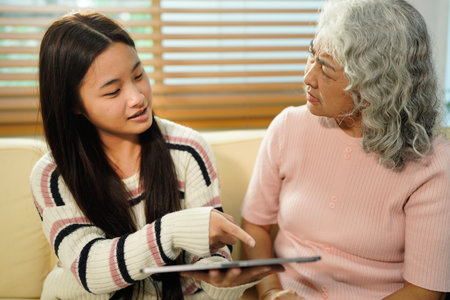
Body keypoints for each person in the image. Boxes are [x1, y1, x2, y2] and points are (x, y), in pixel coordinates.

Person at [31, 12, 282, 300]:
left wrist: (222, 277)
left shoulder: (188, 149)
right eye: (113, 91)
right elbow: (90, 268)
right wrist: (174, 231)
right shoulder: (52, 175)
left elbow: (210, 264)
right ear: (74, 105)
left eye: (139, 75)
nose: (137, 96)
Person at [241, 0, 450, 299]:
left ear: (377, 86)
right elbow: (255, 227)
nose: (308, 78)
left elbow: (423, 292)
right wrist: (270, 292)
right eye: (312, 55)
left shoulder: (432, 164)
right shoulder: (288, 126)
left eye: (326, 70)